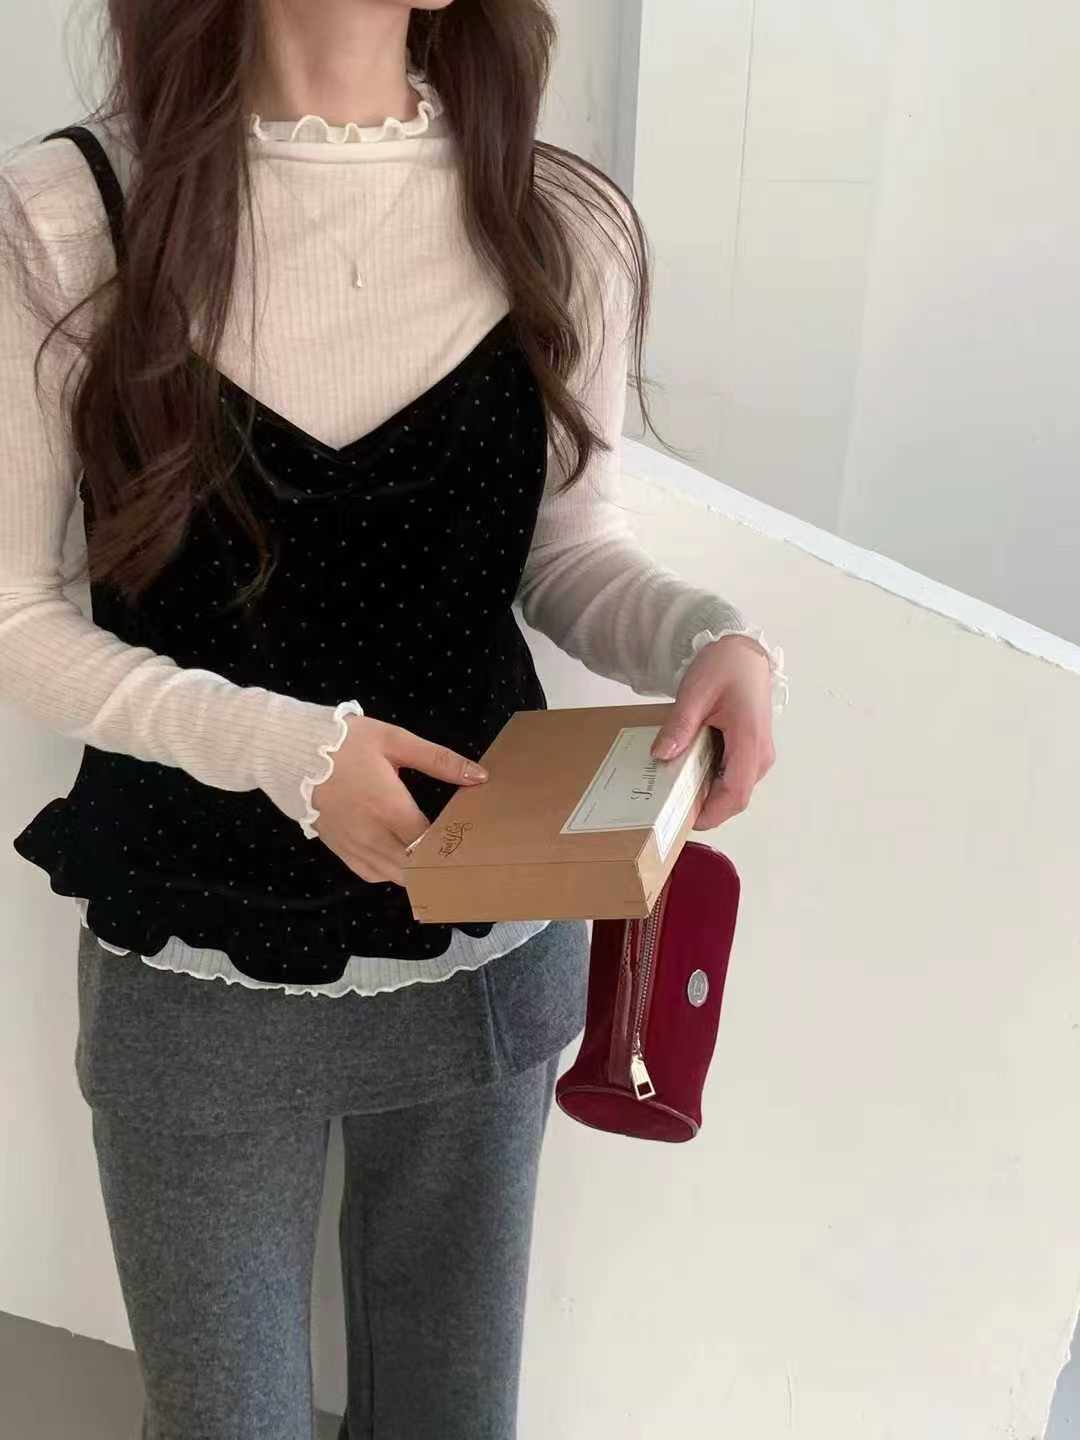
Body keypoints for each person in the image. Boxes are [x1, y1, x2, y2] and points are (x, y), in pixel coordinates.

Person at [0, 1, 786, 1436]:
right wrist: (286, 752)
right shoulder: (70, 216)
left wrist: (706, 637)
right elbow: (15, 618)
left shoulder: (558, 221)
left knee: (452, 1419)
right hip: (195, 952)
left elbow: (563, 550)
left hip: (488, 940)